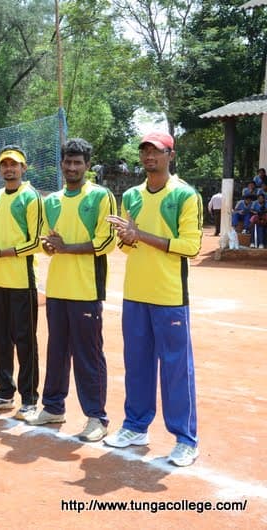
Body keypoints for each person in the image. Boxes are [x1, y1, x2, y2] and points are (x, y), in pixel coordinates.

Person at [104, 131, 202, 467]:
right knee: (137, 365)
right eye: (145, 151)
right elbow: (125, 245)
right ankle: (135, 426)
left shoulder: (185, 195)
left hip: (169, 296)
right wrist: (128, 238)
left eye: (156, 151)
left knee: (176, 369)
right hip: (135, 294)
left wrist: (140, 235)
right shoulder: (131, 196)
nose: (149, 156)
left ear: (170, 155)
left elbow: (191, 247)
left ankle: (185, 439)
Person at [25, 138, 116, 443]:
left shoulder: (101, 196)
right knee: (57, 351)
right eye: (68, 161)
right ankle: (53, 407)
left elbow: (106, 242)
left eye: (78, 162)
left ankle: (97, 417)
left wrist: (66, 248)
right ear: (61, 164)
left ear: (87, 166)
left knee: (88, 355)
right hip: (57, 288)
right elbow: (44, 241)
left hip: (86, 289)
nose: (72, 167)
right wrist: (50, 246)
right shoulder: (51, 201)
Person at [0, 145, 43, 420]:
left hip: (22, 280)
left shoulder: (31, 197)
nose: (9, 169)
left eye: (14, 164)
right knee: (1, 339)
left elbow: (36, 242)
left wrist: (2, 253)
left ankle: (29, 399)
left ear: (23, 168)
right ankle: (4, 392)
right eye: (4, 164)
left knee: (25, 340)